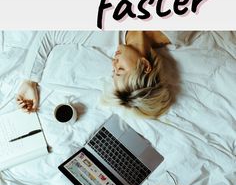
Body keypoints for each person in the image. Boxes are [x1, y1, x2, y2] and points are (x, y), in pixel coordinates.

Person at [17, 31, 179, 118]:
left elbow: (49, 33)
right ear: (144, 65)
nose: (113, 63)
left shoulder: (105, 33)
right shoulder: (178, 32)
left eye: (114, 71)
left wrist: (30, 81)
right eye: (120, 70)